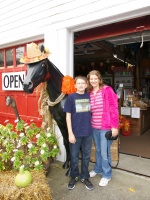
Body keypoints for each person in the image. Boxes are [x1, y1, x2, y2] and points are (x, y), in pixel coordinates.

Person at [86, 70, 119, 187]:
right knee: (98, 150)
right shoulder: (89, 93)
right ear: (89, 80)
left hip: (106, 127)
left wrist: (115, 126)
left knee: (105, 153)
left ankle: (107, 175)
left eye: (95, 78)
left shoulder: (107, 90)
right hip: (94, 126)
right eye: (91, 79)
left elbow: (114, 108)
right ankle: (98, 169)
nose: (93, 81)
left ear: (99, 79)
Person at [63, 76, 94, 191]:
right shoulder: (71, 98)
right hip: (75, 133)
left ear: (86, 85)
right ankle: (74, 176)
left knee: (86, 157)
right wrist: (70, 133)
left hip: (88, 132)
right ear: (75, 85)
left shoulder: (89, 96)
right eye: (79, 83)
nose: (81, 85)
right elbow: (68, 116)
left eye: (83, 83)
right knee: (75, 157)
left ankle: (84, 177)